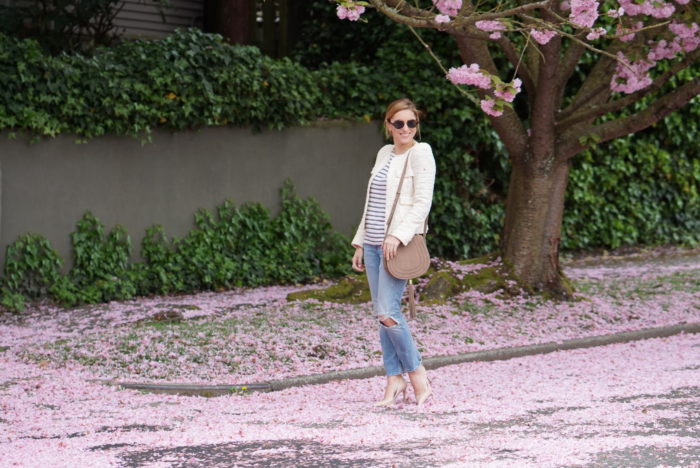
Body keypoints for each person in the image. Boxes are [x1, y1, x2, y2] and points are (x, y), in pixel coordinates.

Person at [351, 98, 436, 406]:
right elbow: (371, 201)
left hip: (395, 247)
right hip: (373, 245)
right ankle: (393, 381)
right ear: (388, 125)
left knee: (387, 312)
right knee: (380, 314)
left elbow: (421, 202)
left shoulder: (421, 152)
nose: (405, 129)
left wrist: (397, 236)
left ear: (417, 126)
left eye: (411, 123)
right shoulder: (384, 152)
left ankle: (416, 374)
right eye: (398, 123)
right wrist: (360, 241)